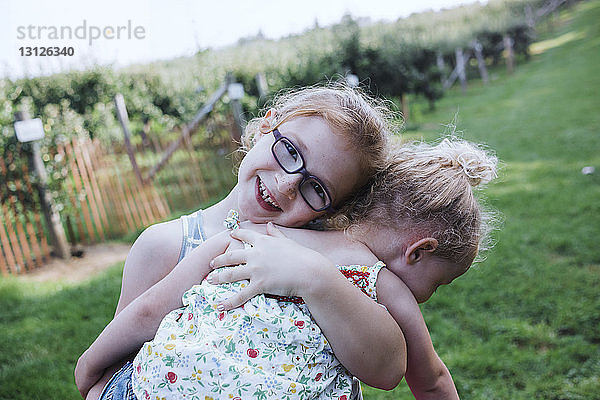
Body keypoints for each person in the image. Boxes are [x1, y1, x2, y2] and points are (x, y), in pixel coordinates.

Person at [75, 137, 498, 400]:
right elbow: (432, 381)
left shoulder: (248, 239)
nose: (428, 295)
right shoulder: (386, 287)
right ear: (418, 251)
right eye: (439, 284)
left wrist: (90, 368)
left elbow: (150, 312)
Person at [77, 84, 407, 400]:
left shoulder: (333, 260)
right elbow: (121, 360)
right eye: (290, 151)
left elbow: (386, 365)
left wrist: (317, 278)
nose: (287, 183)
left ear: (335, 209)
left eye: (317, 189)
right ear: (267, 126)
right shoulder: (164, 245)